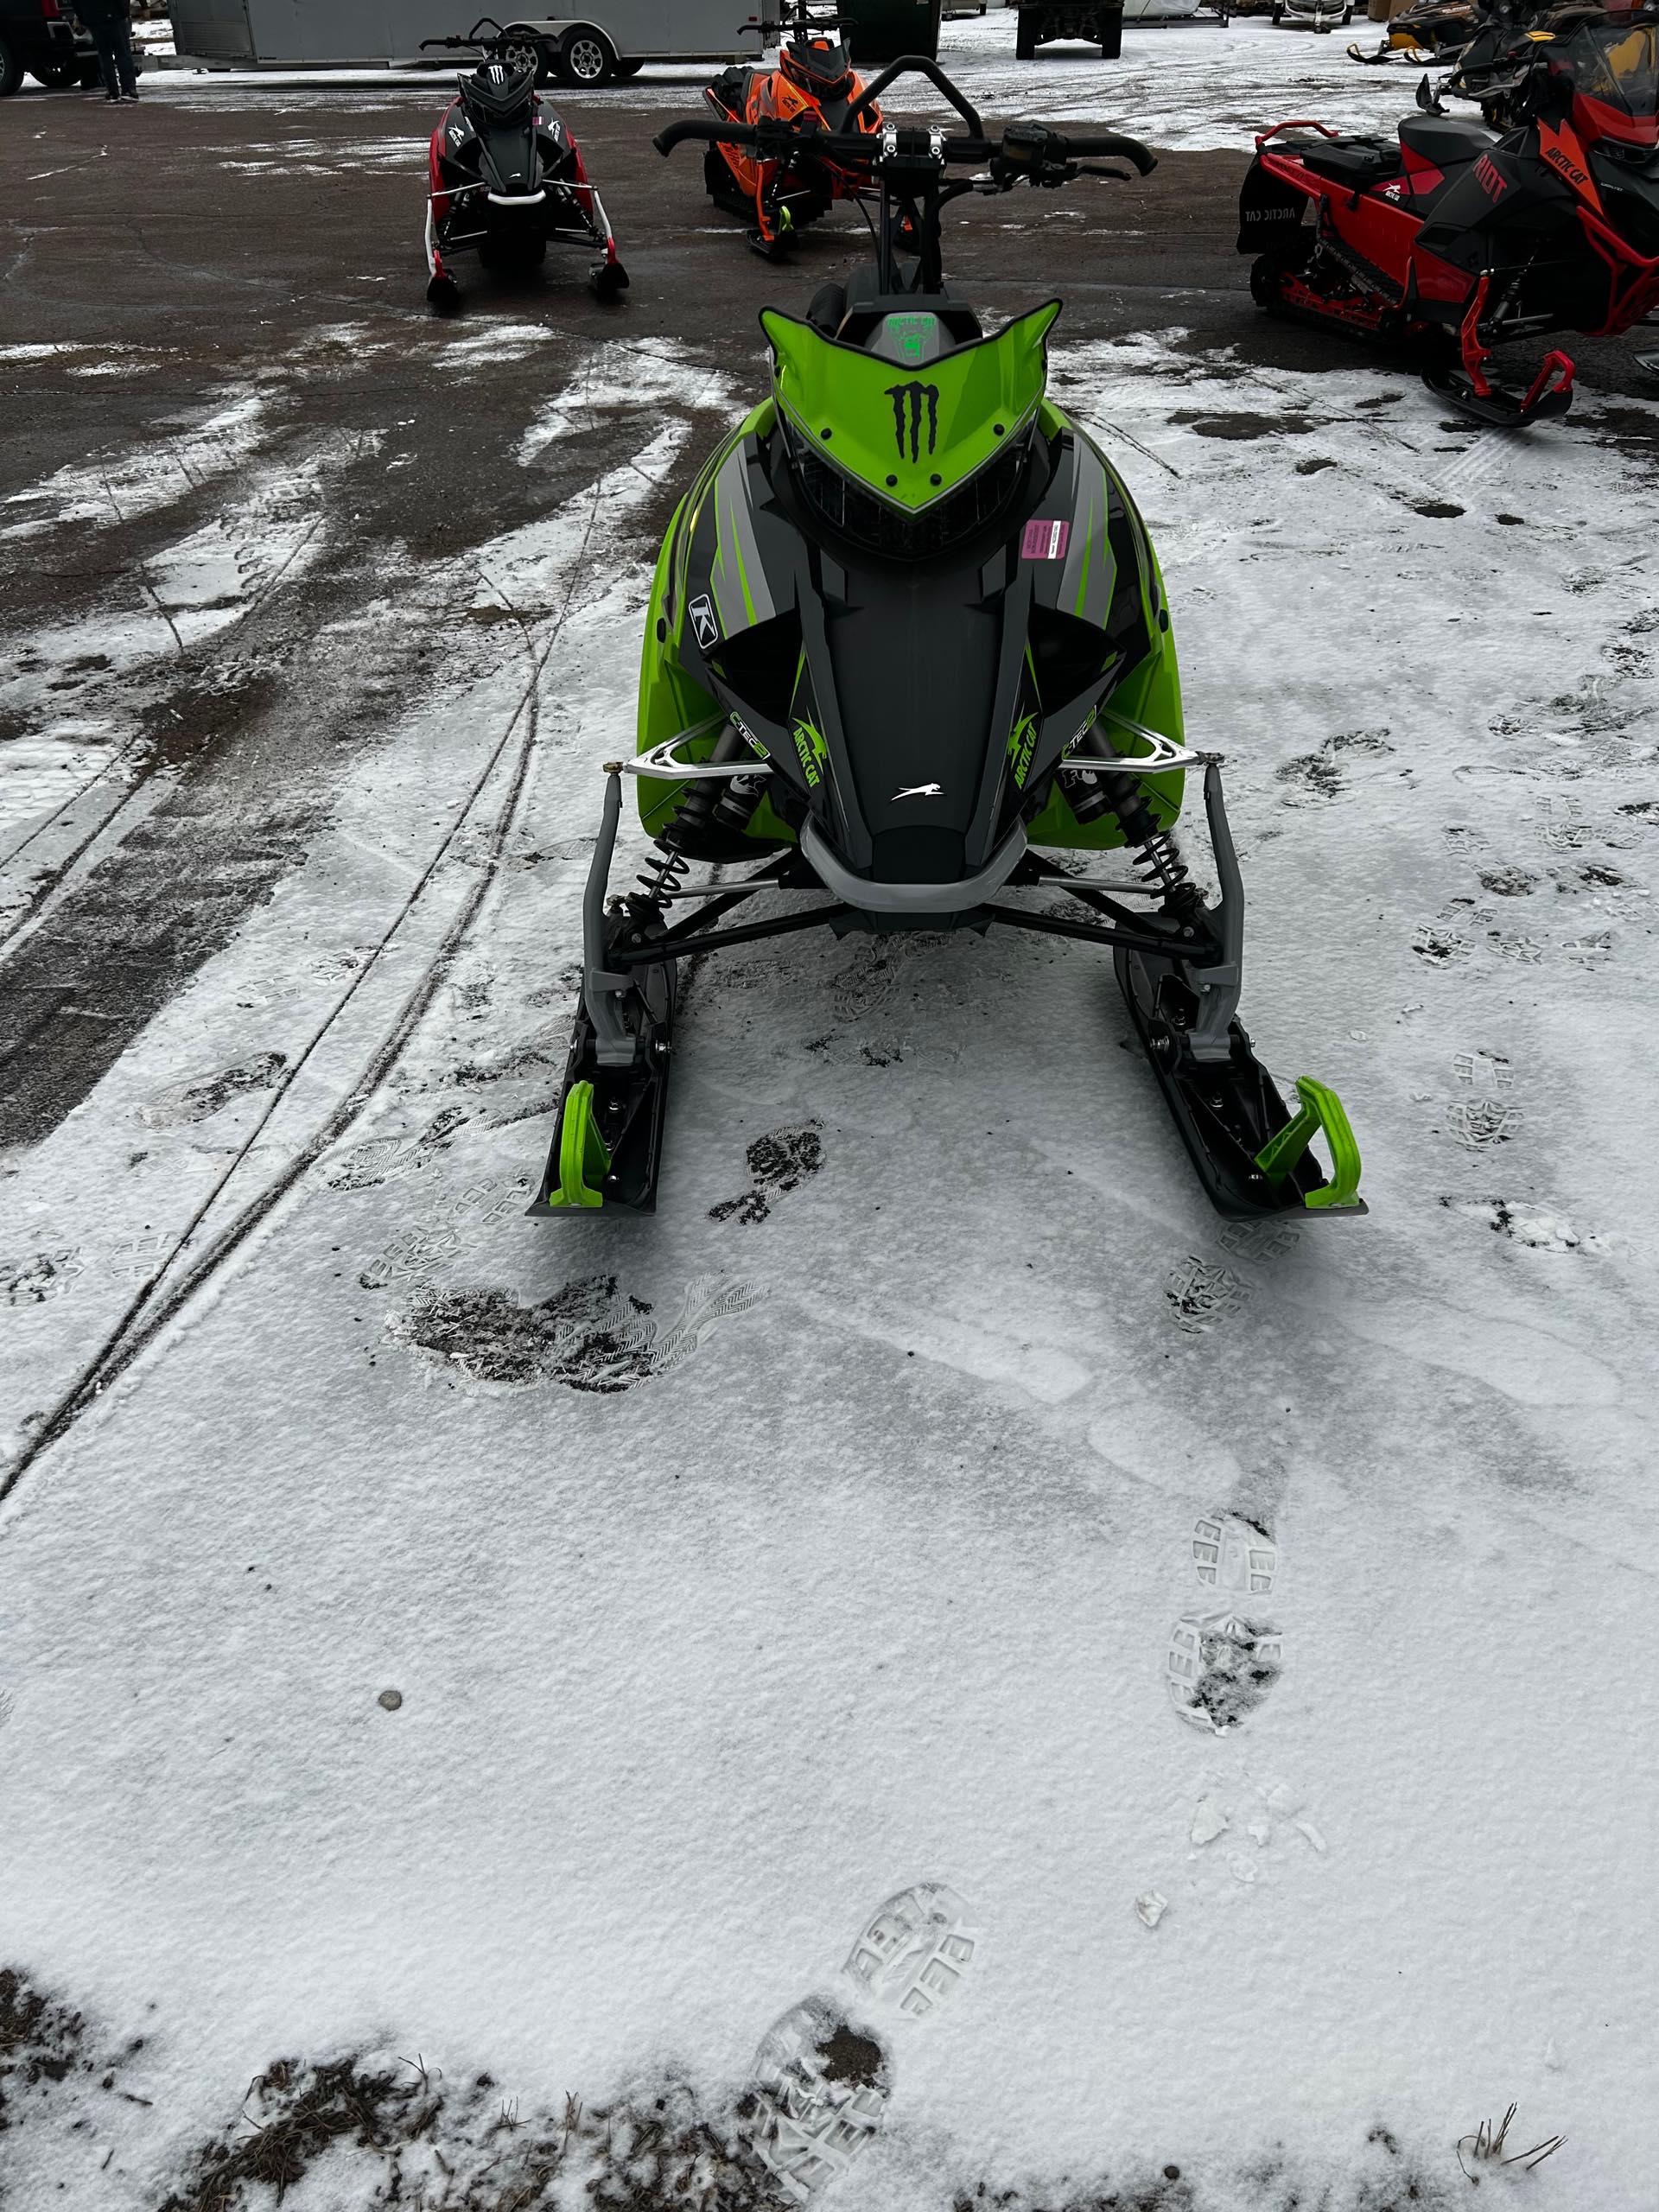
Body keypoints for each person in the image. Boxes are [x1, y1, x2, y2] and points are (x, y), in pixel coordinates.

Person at [71, 0, 138, 101]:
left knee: (104, 55)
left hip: (92, 17)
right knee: (122, 53)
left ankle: (112, 91)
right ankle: (128, 89)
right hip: (114, 14)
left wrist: (83, 17)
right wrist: (124, 13)